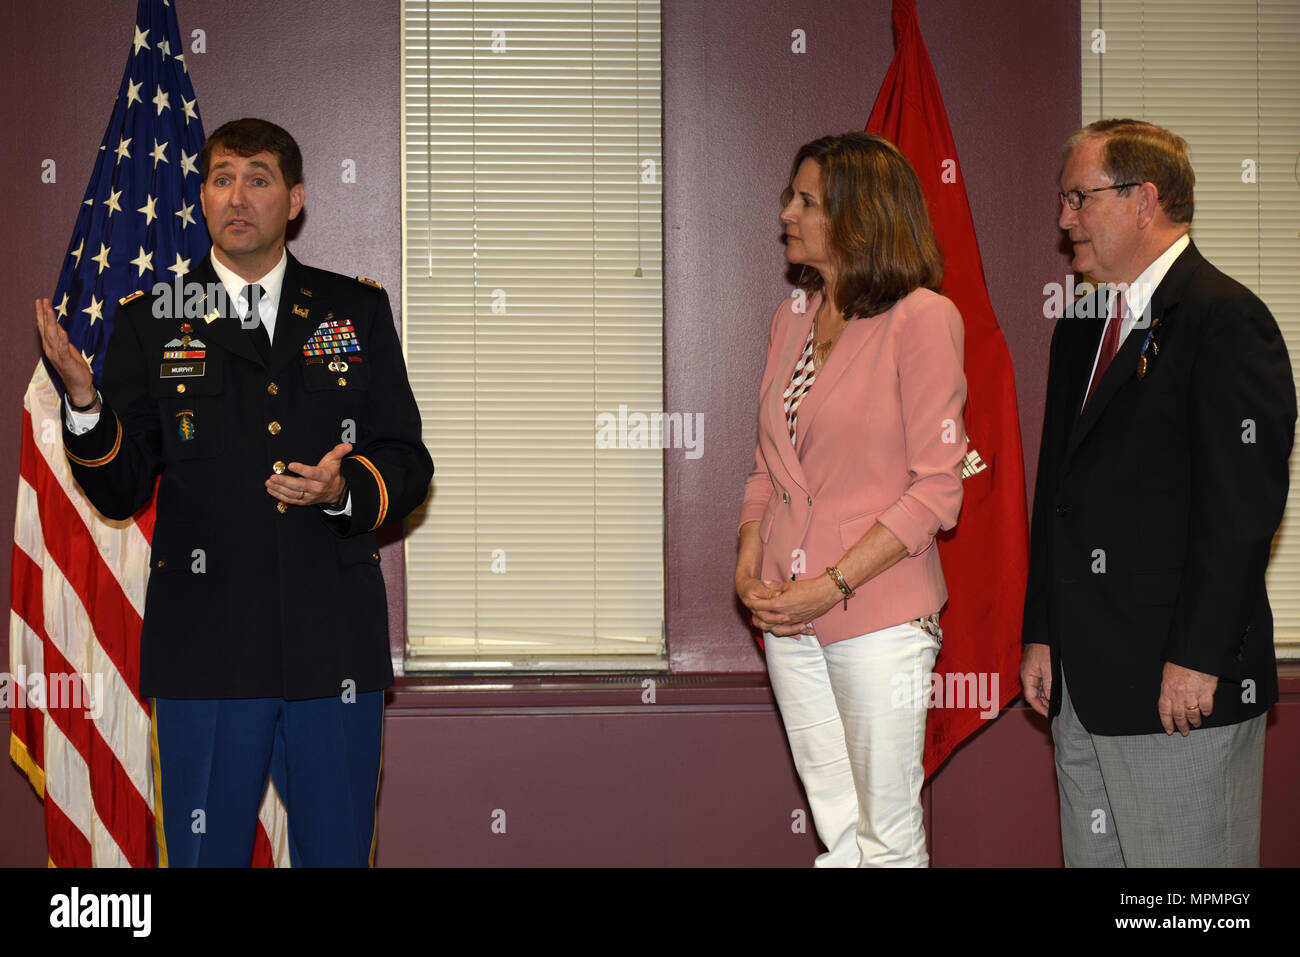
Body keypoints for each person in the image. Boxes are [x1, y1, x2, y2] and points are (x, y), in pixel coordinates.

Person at [35, 117, 434, 867]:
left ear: (296, 199)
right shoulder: (153, 320)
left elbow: (406, 457)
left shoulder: (356, 310)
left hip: (332, 650)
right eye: (222, 178)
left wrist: (345, 487)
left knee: (340, 855)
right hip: (207, 651)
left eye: (258, 178)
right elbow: (121, 490)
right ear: (203, 198)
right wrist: (87, 406)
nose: (237, 195)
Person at [1021, 119, 1295, 867]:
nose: (1063, 218)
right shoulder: (1079, 323)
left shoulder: (1226, 320)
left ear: (1144, 201)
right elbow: (1058, 489)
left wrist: (1199, 656)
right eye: (1063, 198)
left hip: (1181, 691)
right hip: (1083, 688)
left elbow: (1240, 512)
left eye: (1080, 197)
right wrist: (1041, 627)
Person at [735, 131, 967, 867]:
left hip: (877, 618)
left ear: (859, 215)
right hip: (785, 615)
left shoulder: (922, 317)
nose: (787, 214)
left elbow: (938, 488)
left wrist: (828, 586)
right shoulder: (790, 319)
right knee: (840, 835)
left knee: (887, 839)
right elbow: (766, 471)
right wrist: (749, 573)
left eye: (807, 200)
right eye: (791, 197)